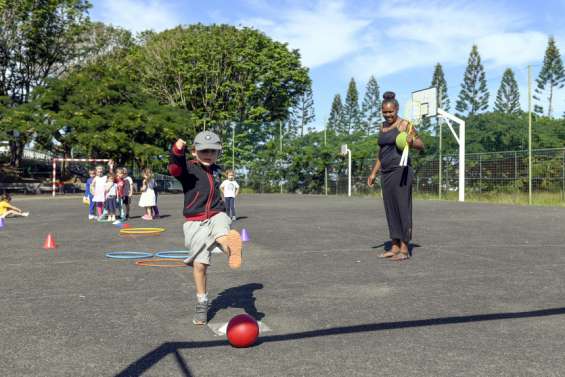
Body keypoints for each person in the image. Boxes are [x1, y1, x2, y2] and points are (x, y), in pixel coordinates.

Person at [168, 131, 243, 325]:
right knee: (200, 265)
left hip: (218, 213)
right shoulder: (189, 169)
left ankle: (233, 249)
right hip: (195, 220)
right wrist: (177, 150)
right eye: (204, 151)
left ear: (218, 153)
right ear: (194, 152)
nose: (209, 154)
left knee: (223, 234)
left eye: (213, 151)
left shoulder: (217, 171)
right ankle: (202, 303)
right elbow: (175, 169)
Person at [367, 91, 424, 261]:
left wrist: (411, 141)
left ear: (397, 109)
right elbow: (381, 152)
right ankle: (394, 246)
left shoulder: (404, 124)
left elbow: (422, 144)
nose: (388, 114)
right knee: (390, 209)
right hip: (386, 173)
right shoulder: (382, 127)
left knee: (402, 208)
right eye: (385, 112)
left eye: (391, 111)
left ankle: (404, 249)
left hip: (401, 171)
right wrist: (373, 172)